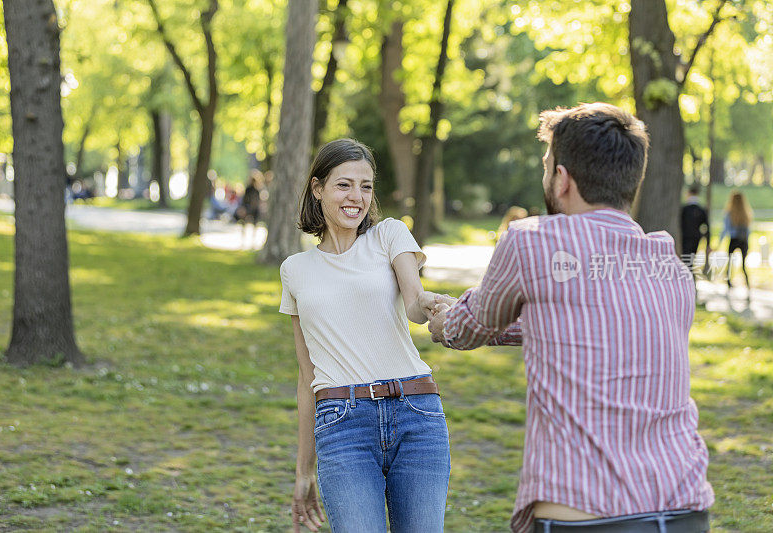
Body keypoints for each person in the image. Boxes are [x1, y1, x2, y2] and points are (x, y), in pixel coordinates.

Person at [428, 103, 713, 533]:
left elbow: (474, 324)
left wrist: (446, 321)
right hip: (683, 510)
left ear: (562, 180)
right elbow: (588, 326)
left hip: (586, 518)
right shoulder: (669, 265)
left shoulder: (532, 242)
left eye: (547, 166)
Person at [280, 139, 451, 532]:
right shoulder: (295, 269)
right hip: (342, 425)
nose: (356, 197)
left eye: (366, 185)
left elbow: (413, 301)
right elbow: (307, 377)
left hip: (417, 414)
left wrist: (429, 304)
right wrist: (303, 471)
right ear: (317, 188)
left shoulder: (389, 234)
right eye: (344, 185)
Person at [719, 190, 752, 289]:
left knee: (729, 263)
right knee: (743, 264)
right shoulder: (746, 213)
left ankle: (728, 282)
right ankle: (747, 283)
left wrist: (720, 241)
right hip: (743, 241)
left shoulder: (729, 213)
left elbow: (725, 229)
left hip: (733, 239)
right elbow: (748, 230)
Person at [680, 184, 710, 275]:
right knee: (691, 259)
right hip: (696, 237)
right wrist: (707, 242)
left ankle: (689, 279)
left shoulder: (685, 209)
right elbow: (706, 227)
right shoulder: (701, 209)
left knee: (687, 259)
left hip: (686, 237)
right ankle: (690, 278)